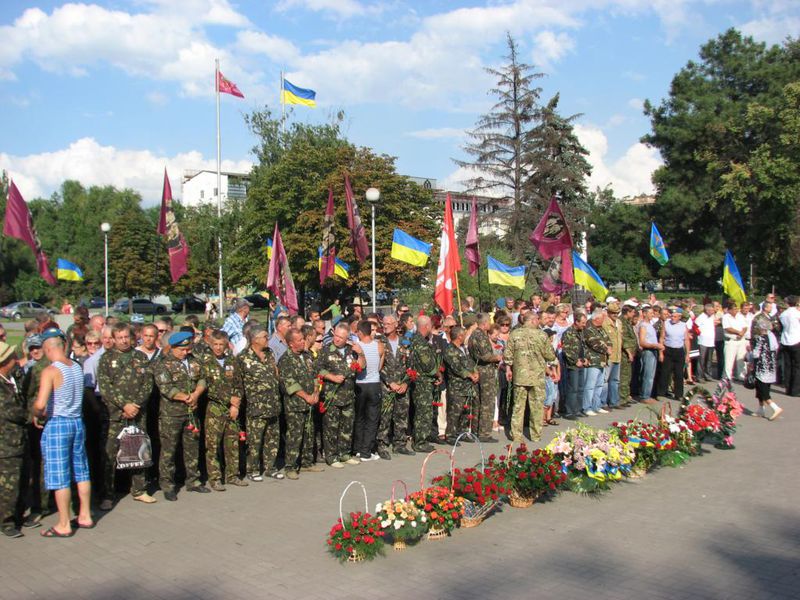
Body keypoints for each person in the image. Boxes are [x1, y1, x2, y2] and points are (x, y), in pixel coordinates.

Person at [32, 330, 93, 537]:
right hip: (77, 421)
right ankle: (85, 514)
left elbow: (40, 404)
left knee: (60, 475)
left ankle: (64, 523)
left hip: (58, 423)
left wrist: (35, 412)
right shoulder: (76, 366)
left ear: (48, 348)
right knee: (81, 470)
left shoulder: (51, 370)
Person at [96, 323, 155, 509]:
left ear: (132, 337)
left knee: (139, 451)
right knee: (110, 455)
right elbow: (105, 387)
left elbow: (148, 383)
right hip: (115, 415)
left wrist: (136, 405)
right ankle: (107, 494)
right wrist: (124, 405)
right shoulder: (106, 359)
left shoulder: (140, 357)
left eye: (126, 337)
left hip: (137, 413)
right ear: (113, 339)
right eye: (119, 337)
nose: (123, 340)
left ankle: (139, 490)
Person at [153, 332, 209, 501]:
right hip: (172, 414)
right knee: (169, 451)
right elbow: (166, 388)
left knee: (192, 447)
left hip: (191, 413)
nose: (186, 352)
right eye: (182, 349)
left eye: (188, 348)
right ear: (173, 348)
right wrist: (186, 397)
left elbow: (202, 379)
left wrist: (196, 394)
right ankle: (168, 485)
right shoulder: (163, 364)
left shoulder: (193, 360)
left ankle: (193, 480)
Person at [198, 330, 246, 492]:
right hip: (214, 409)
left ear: (226, 345)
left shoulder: (232, 360)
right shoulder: (205, 362)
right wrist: (228, 399)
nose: (218, 348)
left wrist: (235, 405)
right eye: (215, 345)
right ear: (210, 345)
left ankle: (232, 475)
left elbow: (239, 385)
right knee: (212, 445)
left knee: (232, 443)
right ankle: (215, 478)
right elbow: (208, 388)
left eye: (221, 345)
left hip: (232, 410)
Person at [238, 324, 284, 481]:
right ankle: (253, 469)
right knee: (255, 441)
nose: (268, 339)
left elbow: (275, 373)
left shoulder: (269, 353)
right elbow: (238, 384)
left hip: (273, 404)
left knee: (272, 439)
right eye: (265, 337)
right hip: (256, 407)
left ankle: (270, 467)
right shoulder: (243, 358)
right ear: (255, 340)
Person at [504, 312, 556, 443]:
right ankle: (536, 435)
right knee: (537, 406)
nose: (538, 322)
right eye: (537, 319)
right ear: (532, 320)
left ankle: (516, 435)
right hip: (537, 376)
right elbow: (550, 356)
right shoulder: (542, 335)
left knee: (518, 406)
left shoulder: (514, 334)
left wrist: (508, 369)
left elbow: (508, 355)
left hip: (520, 375)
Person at [278, 329, 322, 480]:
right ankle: (290, 466)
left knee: (309, 433)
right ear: (291, 344)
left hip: (310, 402)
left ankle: (306, 462)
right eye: (299, 340)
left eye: (303, 339)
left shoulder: (307, 355)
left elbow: (314, 375)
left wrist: (315, 392)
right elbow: (289, 383)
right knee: (295, 435)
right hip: (295, 404)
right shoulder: (286, 359)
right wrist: (306, 396)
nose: (303, 341)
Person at [316, 323, 360, 468]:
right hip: (332, 397)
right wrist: (331, 377)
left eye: (341, 337)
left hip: (348, 395)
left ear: (347, 338)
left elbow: (361, 366)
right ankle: (331, 456)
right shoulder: (326, 350)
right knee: (331, 428)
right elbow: (317, 369)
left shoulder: (350, 350)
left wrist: (360, 353)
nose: (337, 339)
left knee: (347, 427)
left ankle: (345, 454)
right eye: (336, 336)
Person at [376, 315, 413, 456]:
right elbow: (378, 366)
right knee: (385, 416)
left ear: (396, 324)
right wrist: (389, 381)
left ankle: (400, 444)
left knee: (402, 416)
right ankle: (382, 445)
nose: (385, 326)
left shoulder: (404, 343)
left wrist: (405, 382)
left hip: (402, 386)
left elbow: (410, 366)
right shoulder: (379, 342)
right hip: (386, 386)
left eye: (389, 323)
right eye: (384, 323)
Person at [0, 342, 27, 538]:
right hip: (6, 444)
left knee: (16, 481)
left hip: (16, 441)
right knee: (8, 483)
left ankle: (15, 515)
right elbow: (10, 410)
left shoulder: (11, 379)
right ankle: (6, 522)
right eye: (12, 358)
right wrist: (31, 414)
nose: (16, 361)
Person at [408, 316, 440, 453]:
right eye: (430, 326)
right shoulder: (420, 342)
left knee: (422, 411)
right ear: (426, 326)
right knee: (424, 412)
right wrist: (437, 373)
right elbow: (427, 363)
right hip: (423, 382)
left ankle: (420, 440)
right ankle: (420, 442)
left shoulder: (416, 340)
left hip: (422, 381)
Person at [353, 321, 383, 461]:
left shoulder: (356, 346)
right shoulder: (379, 345)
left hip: (360, 384)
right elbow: (379, 365)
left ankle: (359, 449)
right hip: (374, 384)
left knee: (360, 417)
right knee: (372, 419)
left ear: (360, 332)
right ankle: (366, 451)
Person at [467, 314, 500, 442]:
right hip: (485, 371)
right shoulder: (481, 336)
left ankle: (476, 429)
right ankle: (484, 433)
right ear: (485, 323)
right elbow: (486, 356)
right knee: (487, 402)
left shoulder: (473, 335)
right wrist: (497, 358)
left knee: (478, 402)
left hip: (477, 369)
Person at [443, 325, 479, 444]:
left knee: (465, 411)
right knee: (455, 412)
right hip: (456, 386)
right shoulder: (450, 350)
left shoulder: (464, 348)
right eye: (463, 335)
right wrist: (469, 375)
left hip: (468, 386)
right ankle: (451, 435)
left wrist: (475, 372)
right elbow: (456, 367)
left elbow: (471, 362)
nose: (465, 337)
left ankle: (462, 432)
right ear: (459, 336)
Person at [750, 321, 783, 421]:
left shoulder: (760, 338)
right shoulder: (772, 337)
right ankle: (761, 409)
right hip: (771, 367)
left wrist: (749, 355)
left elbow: (756, 354)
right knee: (763, 388)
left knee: (762, 389)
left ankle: (775, 408)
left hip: (761, 367)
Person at [657, 307, 691, 401]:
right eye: (672, 316)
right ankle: (661, 392)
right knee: (665, 372)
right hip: (668, 350)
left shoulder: (683, 325)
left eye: (675, 317)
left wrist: (687, 354)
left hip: (679, 351)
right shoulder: (666, 323)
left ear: (680, 317)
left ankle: (678, 394)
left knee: (679, 374)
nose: (673, 318)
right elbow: (662, 338)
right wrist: (661, 353)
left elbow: (686, 340)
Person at [583, 310, 611, 416]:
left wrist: (608, 346)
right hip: (592, 360)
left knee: (599, 384)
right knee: (590, 385)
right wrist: (606, 348)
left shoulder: (600, 328)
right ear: (597, 319)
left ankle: (596, 405)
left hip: (602, 360)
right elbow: (593, 343)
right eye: (603, 318)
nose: (604, 321)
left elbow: (608, 339)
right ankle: (587, 407)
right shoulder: (588, 328)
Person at [561, 311, 588, 419]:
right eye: (582, 323)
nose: (584, 325)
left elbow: (584, 346)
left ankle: (578, 409)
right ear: (576, 322)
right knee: (573, 388)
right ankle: (569, 411)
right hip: (573, 364)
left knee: (581, 388)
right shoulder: (568, 333)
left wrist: (586, 358)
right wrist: (575, 360)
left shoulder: (580, 332)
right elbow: (566, 349)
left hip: (582, 362)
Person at [637, 305, 661, 404]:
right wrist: (655, 345)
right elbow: (642, 342)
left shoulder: (650, 324)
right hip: (648, 351)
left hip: (653, 350)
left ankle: (647, 394)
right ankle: (644, 396)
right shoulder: (643, 326)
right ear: (644, 314)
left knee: (651, 374)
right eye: (650, 313)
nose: (653, 314)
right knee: (648, 375)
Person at [600, 302, 623, 410]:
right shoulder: (605, 323)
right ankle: (603, 402)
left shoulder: (619, 322)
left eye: (617, 313)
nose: (615, 315)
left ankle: (614, 401)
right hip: (609, 356)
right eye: (613, 313)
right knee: (605, 380)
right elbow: (602, 339)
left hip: (617, 355)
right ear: (608, 313)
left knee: (615, 380)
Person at [779, 295, 800, 397]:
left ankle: (787, 387)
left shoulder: (783, 314)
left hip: (785, 340)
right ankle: (795, 390)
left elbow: (781, 327)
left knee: (788, 365)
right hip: (796, 340)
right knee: (797, 366)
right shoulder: (797, 313)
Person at [722, 301, 748, 381]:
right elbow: (727, 328)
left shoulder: (740, 316)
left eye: (736, 309)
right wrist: (738, 332)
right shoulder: (726, 317)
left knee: (741, 359)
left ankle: (741, 375)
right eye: (734, 309)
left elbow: (745, 327)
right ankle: (727, 377)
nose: (736, 311)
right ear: (729, 310)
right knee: (729, 360)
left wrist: (742, 333)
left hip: (741, 340)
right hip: (731, 341)